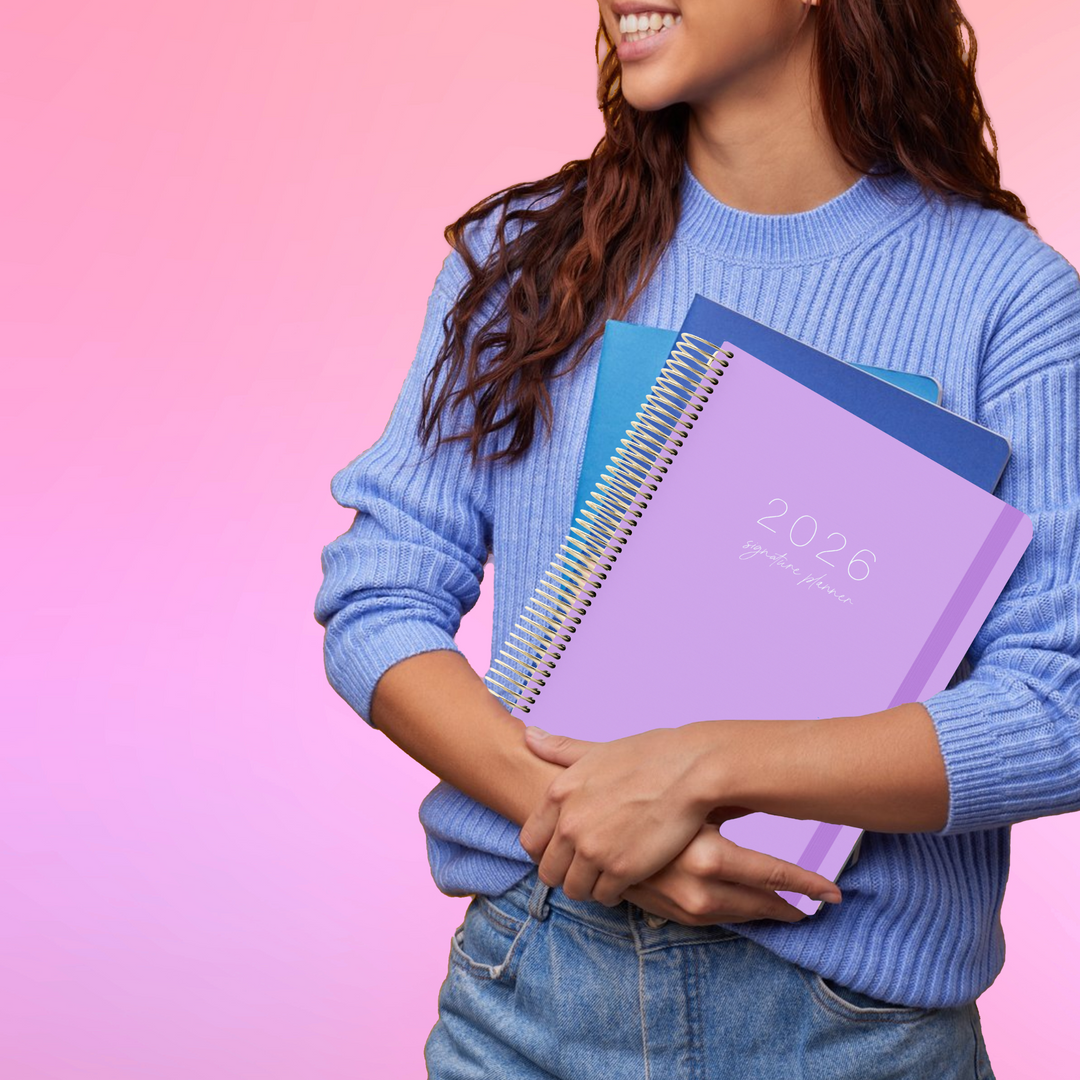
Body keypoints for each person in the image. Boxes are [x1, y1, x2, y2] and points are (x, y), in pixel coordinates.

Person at [314, 1, 1080, 1076]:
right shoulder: (525, 259)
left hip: (856, 1035)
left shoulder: (1007, 299)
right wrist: (586, 818)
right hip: (530, 995)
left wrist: (702, 768)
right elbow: (377, 597)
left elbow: (1062, 706)